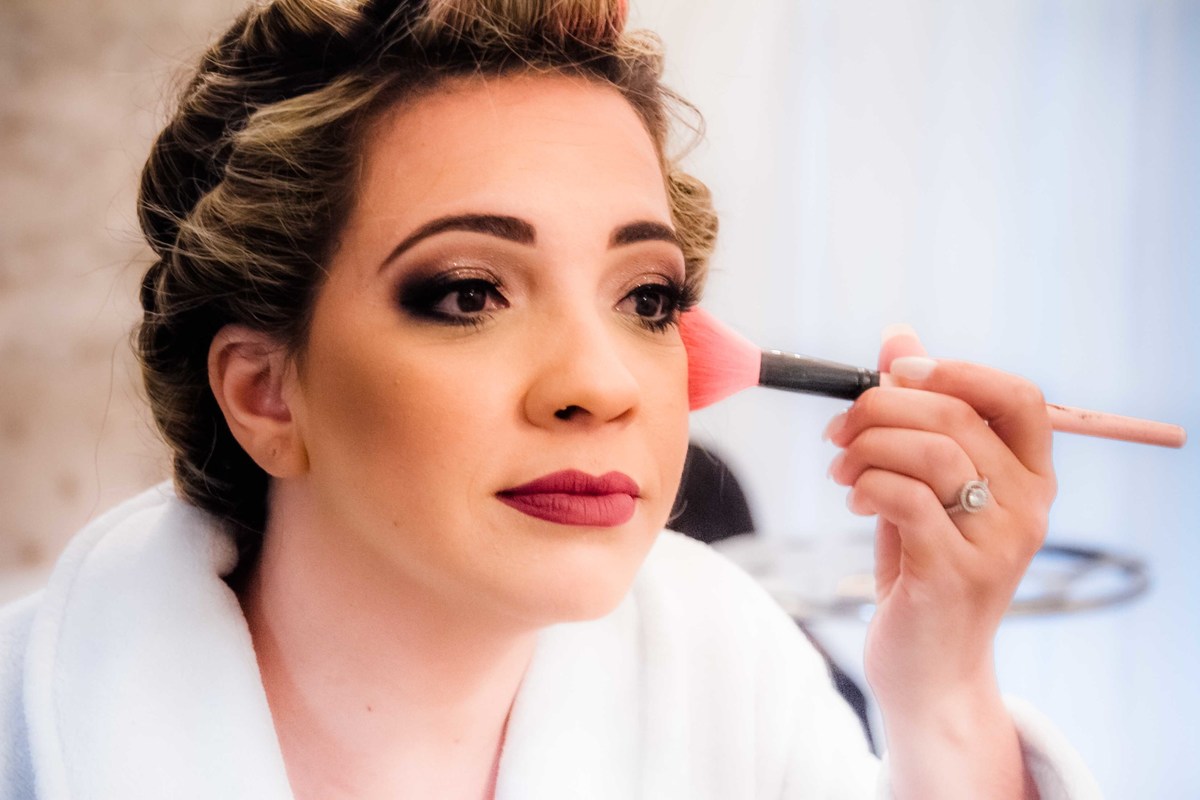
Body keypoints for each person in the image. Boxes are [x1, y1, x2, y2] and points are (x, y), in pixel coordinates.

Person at [0, 0, 1099, 797]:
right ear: (265, 393)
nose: (601, 384)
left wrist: (943, 682)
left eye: (648, 300)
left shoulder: (733, 684)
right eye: (469, 293)